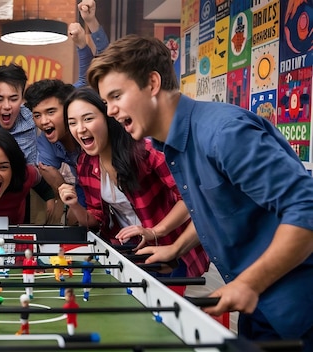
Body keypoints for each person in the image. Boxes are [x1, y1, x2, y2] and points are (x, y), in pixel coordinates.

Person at [86, 34, 313, 346]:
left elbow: (306, 210)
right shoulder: (172, 145)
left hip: (298, 303)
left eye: (115, 96)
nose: (110, 111)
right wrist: (174, 248)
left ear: (152, 83)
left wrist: (249, 282)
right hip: (258, 301)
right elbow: (212, 206)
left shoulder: (223, 134)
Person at [58, 88, 209, 280]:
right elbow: (96, 218)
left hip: (170, 248)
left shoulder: (145, 151)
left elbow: (189, 199)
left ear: (108, 118)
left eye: (88, 119)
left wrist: (154, 231)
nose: (80, 129)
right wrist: (74, 205)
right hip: (128, 251)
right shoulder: (85, 163)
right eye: (72, 123)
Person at [23, 79, 83, 225]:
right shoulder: (45, 141)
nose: (43, 121)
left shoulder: (86, 135)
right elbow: (57, 189)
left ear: (69, 110)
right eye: (37, 115)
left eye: (50, 112)